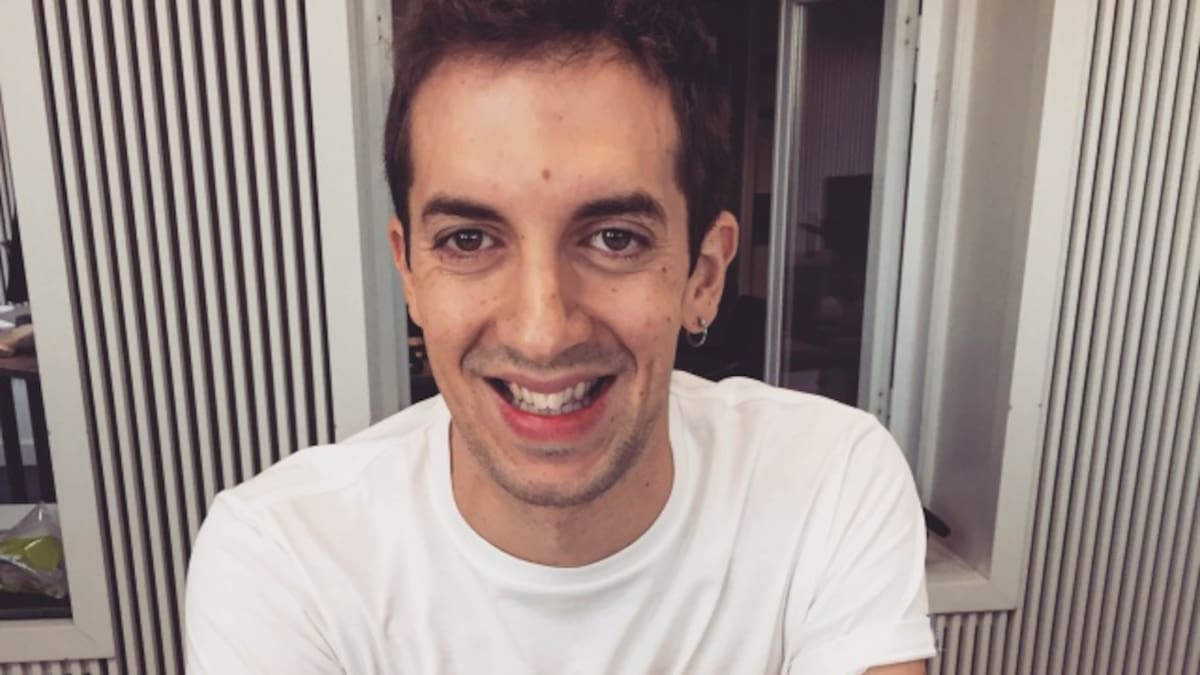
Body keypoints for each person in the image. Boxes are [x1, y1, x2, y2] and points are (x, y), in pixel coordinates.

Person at [184, 1, 936, 672]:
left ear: (703, 276)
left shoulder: (830, 481)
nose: (542, 333)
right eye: (469, 239)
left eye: (614, 238)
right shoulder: (282, 559)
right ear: (410, 272)